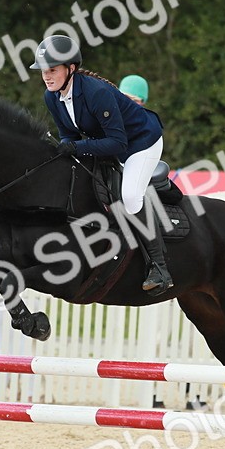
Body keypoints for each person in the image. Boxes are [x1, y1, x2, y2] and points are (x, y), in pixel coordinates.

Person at [31, 35, 172, 295]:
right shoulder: (52, 97)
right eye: (43, 71)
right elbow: (69, 136)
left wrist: (76, 148)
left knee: (130, 197)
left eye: (52, 70)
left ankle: (159, 267)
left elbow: (118, 143)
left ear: (70, 69)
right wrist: (65, 149)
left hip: (141, 143)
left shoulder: (96, 93)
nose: (47, 77)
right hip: (108, 142)